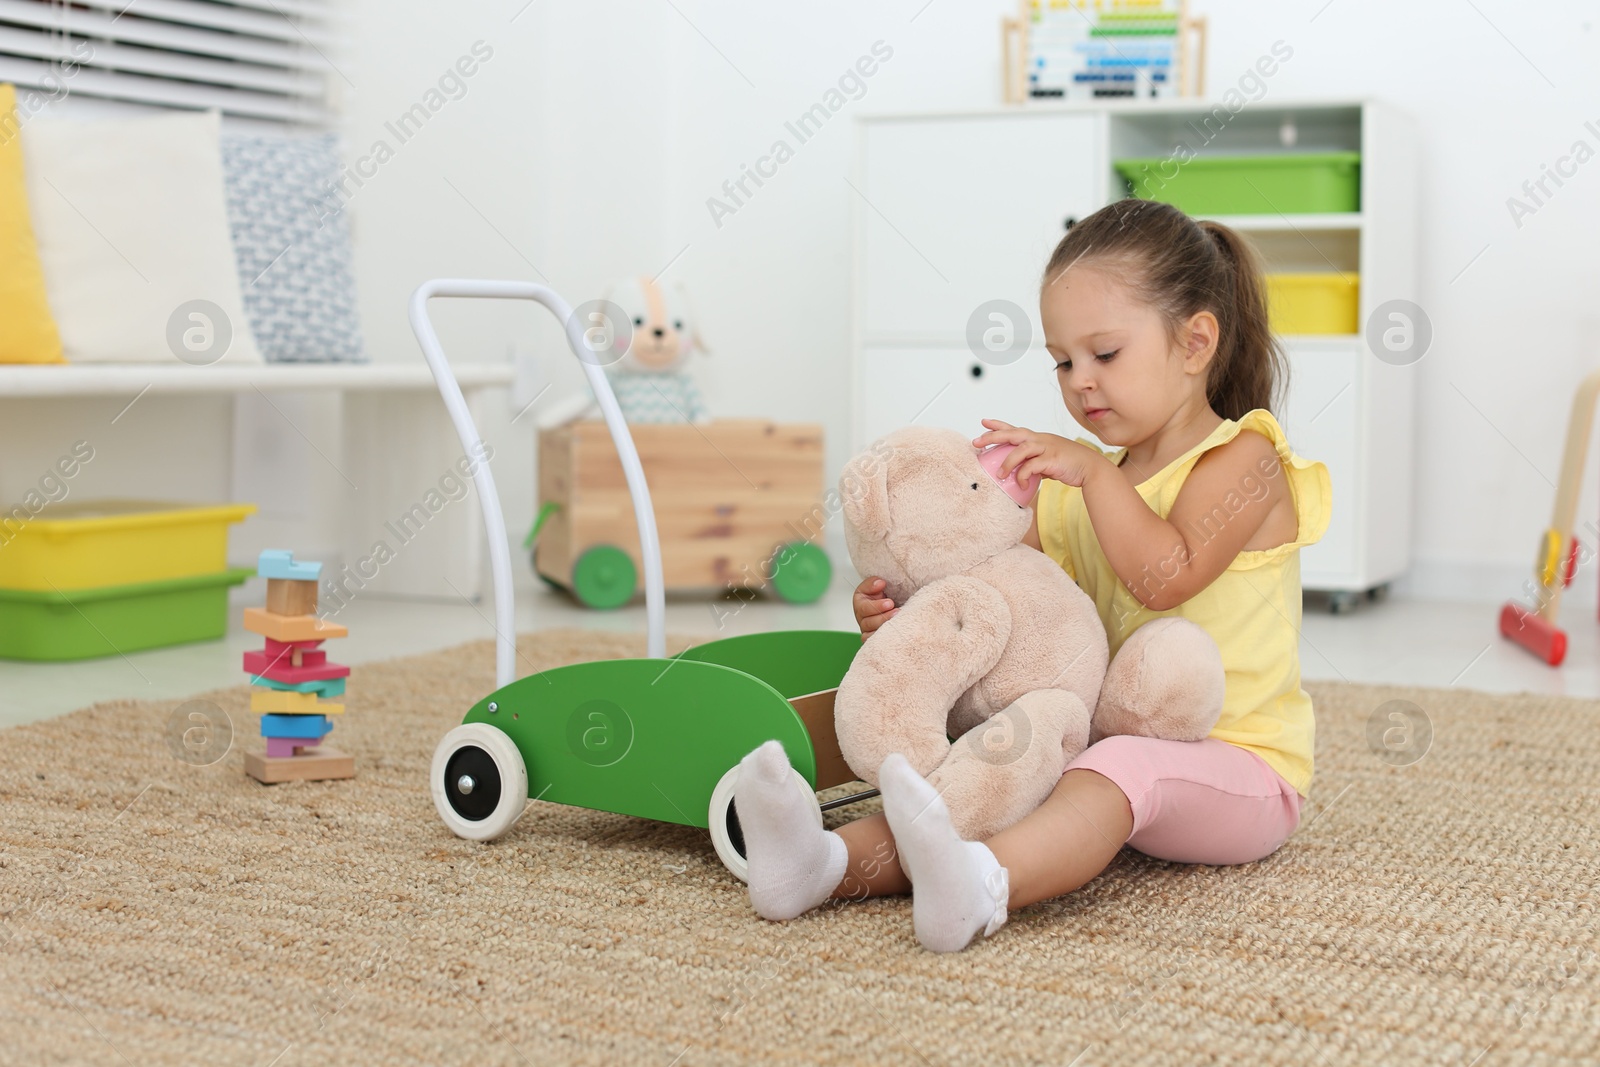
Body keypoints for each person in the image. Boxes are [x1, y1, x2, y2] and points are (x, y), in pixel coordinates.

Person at [734, 197, 1331, 952]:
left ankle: (986, 883)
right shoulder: (1091, 484)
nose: (1080, 381)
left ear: (1195, 342)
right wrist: (910, 608)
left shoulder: (1245, 459)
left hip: (1243, 770)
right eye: (1061, 359)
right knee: (998, 760)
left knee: (1120, 767)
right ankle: (823, 863)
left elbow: (1163, 576)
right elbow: (1017, 599)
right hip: (1102, 731)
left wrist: (1088, 475)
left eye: (1104, 354)